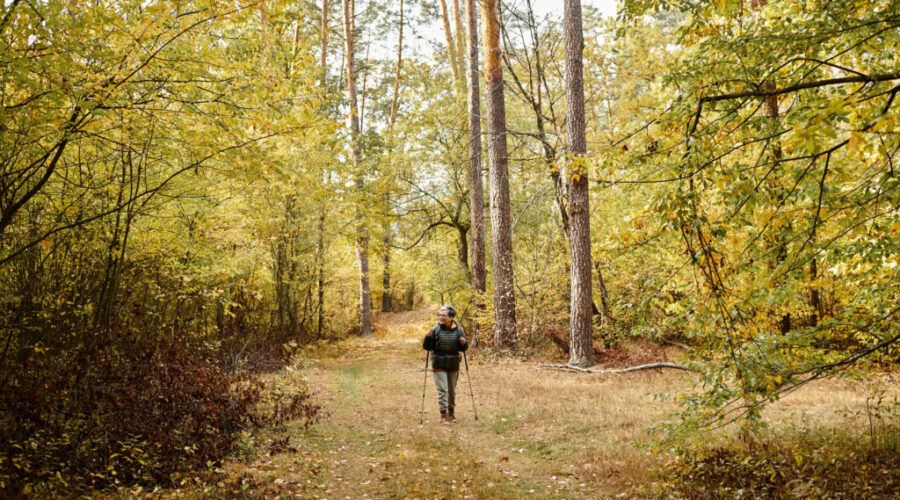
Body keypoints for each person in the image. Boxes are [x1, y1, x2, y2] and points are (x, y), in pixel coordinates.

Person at [423, 305, 468, 423]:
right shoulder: (435, 330)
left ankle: (451, 414)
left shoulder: (458, 330)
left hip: (453, 363)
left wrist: (464, 343)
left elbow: (463, 349)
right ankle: (443, 416)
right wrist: (427, 337)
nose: (441, 317)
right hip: (438, 363)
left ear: (451, 317)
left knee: (452, 390)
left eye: (443, 315)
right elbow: (427, 347)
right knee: (443, 389)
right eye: (440, 315)